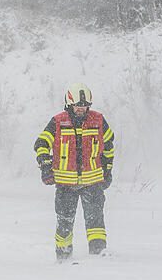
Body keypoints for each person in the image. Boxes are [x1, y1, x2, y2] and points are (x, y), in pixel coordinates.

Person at [33, 83, 115, 262]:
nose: (81, 109)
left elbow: (108, 146)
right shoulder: (58, 121)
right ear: (69, 104)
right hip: (65, 185)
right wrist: (45, 167)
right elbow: (41, 145)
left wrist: (107, 171)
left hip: (93, 183)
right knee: (64, 222)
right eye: (78, 105)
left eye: (85, 106)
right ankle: (63, 257)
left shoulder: (98, 120)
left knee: (95, 222)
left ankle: (99, 256)